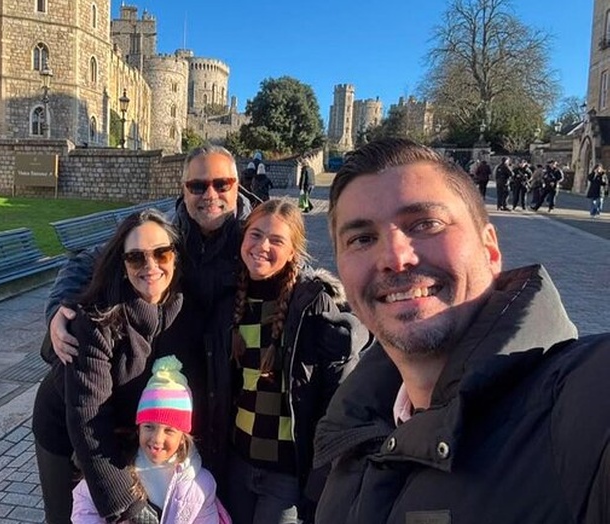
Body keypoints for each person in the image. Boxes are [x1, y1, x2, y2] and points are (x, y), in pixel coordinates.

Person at [312, 138, 610, 523]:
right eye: (362, 239)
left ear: (490, 250)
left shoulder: (582, 408)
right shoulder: (353, 425)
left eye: (425, 224)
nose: (395, 257)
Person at [44, 144, 256, 481]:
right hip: (124, 416)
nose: (210, 194)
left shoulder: (255, 238)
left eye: (222, 184)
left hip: (209, 408)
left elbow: (296, 273)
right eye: (197, 186)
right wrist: (60, 306)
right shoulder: (165, 235)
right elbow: (87, 261)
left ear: (238, 184)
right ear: (183, 189)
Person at [32, 209, 205, 524]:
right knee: (66, 516)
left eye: (162, 254)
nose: (151, 266)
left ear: (176, 258)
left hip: (131, 431)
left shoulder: (184, 309)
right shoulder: (97, 322)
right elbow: (88, 419)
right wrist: (127, 508)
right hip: (67, 424)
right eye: (136, 258)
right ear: (123, 267)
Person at [226, 200, 371, 524]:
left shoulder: (310, 302)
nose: (262, 246)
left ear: (293, 251)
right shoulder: (230, 295)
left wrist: (318, 481)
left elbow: (333, 398)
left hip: (287, 475)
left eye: (276, 241)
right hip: (237, 463)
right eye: (255, 234)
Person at [72, 356, 232, 524]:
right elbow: (85, 502)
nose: (157, 438)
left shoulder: (201, 485)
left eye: (169, 430)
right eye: (149, 426)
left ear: (183, 437)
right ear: (138, 428)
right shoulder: (116, 465)